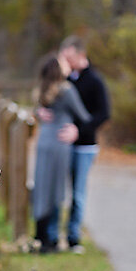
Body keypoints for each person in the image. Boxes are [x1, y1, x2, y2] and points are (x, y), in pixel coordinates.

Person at [32, 54, 91, 253]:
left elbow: (37, 110)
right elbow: (84, 116)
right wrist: (75, 127)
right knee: (56, 189)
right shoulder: (67, 90)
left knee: (41, 186)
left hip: (43, 142)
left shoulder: (42, 90)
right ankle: (52, 237)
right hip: (59, 143)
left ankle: (40, 234)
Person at [58, 35, 111, 253]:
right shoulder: (66, 81)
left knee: (78, 194)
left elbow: (103, 114)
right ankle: (55, 234)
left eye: (69, 58)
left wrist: (79, 131)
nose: (67, 62)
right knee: (61, 191)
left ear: (81, 55)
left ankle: (73, 237)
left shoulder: (95, 81)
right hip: (64, 146)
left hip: (85, 146)